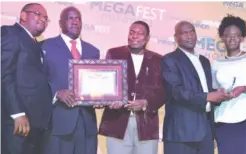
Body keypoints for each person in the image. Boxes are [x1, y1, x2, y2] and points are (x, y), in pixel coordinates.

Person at [161, 21, 230, 154]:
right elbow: (176, 92)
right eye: (184, 33)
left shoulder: (204, 60)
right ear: (176, 38)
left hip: (205, 131)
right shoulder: (169, 60)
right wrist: (208, 96)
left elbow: (205, 89)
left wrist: (218, 93)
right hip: (181, 132)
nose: (189, 36)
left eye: (192, 31)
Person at [99, 20, 165, 154]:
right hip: (117, 123)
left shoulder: (158, 60)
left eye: (140, 33)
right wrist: (109, 101)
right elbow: (105, 83)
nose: (134, 36)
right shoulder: (114, 53)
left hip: (146, 126)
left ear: (147, 38)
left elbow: (163, 91)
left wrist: (146, 103)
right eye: (132, 32)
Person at [42, 6, 100, 154]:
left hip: (87, 125)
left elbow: (97, 83)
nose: (75, 22)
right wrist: (56, 93)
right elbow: (38, 80)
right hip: (58, 122)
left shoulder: (93, 51)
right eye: (70, 18)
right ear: (60, 23)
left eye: (78, 18)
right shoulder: (45, 46)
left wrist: (101, 97)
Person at [1, 3, 52, 154]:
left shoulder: (35, 44)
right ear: (23, 16)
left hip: (34, 126)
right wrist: (17, 113)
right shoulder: (11, 33)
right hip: (17, 124)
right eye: (38, 14)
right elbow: (4, 74)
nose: (43, 19)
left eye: (46, 18)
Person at [212, 14, 246, 154]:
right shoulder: (216, 63)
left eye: (237, 35)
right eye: (228, 35)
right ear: (222, 37)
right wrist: (220, 93)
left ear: (242, 37)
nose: (232, 38)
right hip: (224, 120)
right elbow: (214, 91)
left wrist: (244, 89)